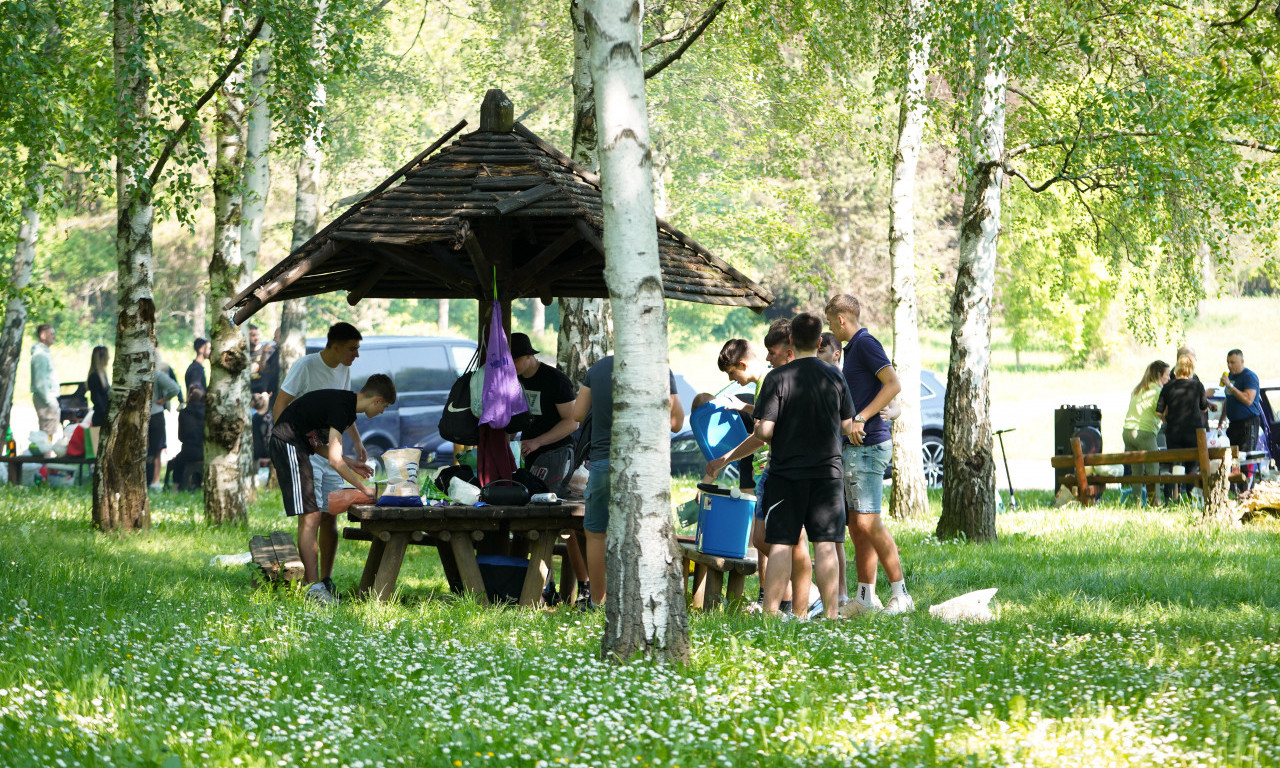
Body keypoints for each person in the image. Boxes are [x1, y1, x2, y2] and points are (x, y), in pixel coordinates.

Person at [708, 313, 849, 620]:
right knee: (824, 543)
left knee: (782, 542)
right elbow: (848, 424)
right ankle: (831, 615)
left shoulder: (777, 378)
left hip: (787, 473)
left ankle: (771, 614)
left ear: (792, 343)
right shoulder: (835, 376)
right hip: (828, 472)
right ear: (820, 341)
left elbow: (764, 433)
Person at [270, 375, 395, 603]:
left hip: (299, 446)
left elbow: (316, 444)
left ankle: (315, 586)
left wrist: (351, 462)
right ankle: (313, 590)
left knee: (315, 514)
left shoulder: (345, 406)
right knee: (311, 516)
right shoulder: (342, 407)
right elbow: (334, 462)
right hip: (287, 445)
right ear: (377, 400)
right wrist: (365, 489)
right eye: (384, 407)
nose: (383, 412)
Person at [571, 355, 683, 608]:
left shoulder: (598, 368)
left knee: (597, 533)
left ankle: (599, 602)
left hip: (602, 462)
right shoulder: (659, 369)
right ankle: (642, 599)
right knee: (645, 534)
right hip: (643, 466)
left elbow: (578, 414)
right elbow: (676, 423)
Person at [826, 293, 913, 616]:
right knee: (856, 524)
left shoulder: (865, 343)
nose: (831, 328)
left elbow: (892, 384)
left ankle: (901, 596)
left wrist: (861, 417)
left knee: (869, 522)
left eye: (831, 322)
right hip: (855, 448)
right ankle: (865, 598)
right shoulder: (852, 349)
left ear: (842, 319)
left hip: (871, 446)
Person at [273, 322, 369, 599]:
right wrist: (289, 440)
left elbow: (345, 407)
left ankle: (326, 580)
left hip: (327, 449)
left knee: (330, 516)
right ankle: (310, 586)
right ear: (335, 346)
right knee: (310, 517)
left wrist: (358, 441)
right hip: (304, 447)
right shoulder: (305, 366)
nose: (356, 355)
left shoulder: (345, 368)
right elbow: (281, 403)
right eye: (352, 349)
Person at [510, 333, 578, 493]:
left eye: (516, 359)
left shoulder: (555, 380)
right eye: (508, 360)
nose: (512, 365)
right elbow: (514, 417)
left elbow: (572, 422)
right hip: (528, 453)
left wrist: (538, 442)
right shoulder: (514, 380)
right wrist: (509, 444)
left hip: (556, 454)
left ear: (529, 355)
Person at [1156, 355, 1209, 501]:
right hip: (1193, 431)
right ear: (1191, 369)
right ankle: (1191, 495)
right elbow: (1204, 407)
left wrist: (1166, 419)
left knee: (1176, 462)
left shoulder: (1167, 387)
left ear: (1177, 369)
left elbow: (1158, 411)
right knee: (1192, 463)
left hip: (1174, 431)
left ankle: (1174, 496)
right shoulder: (1197, 386)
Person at [1121, 360, 1170, 506]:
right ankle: (1156, 502)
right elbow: (1159, 412)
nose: (1168, 379)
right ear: (1159, 375)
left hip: (1128, 432)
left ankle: (1137, 503)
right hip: (1145, 433)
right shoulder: (1157, 391)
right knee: (1153, 469)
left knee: (1136, 471)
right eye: (1167, 375)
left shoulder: (1138, 389)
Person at [148, 356, 182, 489]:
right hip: (156, 414)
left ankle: (149, 480)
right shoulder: (157, 375)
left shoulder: (135, 376)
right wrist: (163, 400)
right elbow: (175, 388)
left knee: (147, 451)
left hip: (141, 416)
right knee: (156, 450)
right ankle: (154, 482)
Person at [169, 386, 206, 491]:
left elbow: (180, 436)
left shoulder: (184, 413)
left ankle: (176, 487)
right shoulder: (207, 412)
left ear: (190, 397)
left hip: (187, 451)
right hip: (203, 451)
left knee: (178, 461)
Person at [30, 324, 60, 439]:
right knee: (46, 433)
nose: (54, 336)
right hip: (45, 400)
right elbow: (39, 383)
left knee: (49, 432)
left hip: (47, 400)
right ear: (43, 335)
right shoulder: (40, 355)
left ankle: (46, 455)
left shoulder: (44, 353)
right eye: (51, 334)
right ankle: (46, 456)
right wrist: (51, 402)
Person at [87, 345, 110, 431]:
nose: (109, 357)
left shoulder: (102, 374)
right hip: (100, 419)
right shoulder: (95, 376)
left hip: (102, 417)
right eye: (107, 355)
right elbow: (96, 399)